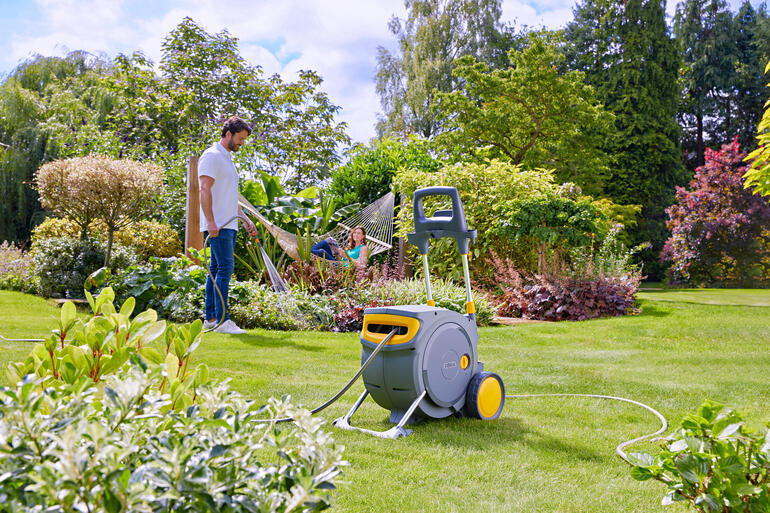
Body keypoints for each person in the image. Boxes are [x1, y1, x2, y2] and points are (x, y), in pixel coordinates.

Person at [200, 116, 257, 334]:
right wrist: (211, 221)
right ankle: (223, 321)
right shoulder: (212, 156)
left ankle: (211, 318)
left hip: (229, 223)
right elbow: (204, 189)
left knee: (215, 270)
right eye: (240, 139)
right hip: (219, 224)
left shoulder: (227, 160)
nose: (242, 143)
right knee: (225, 268)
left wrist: (245, 219)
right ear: (228, 134)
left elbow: (230, 196)